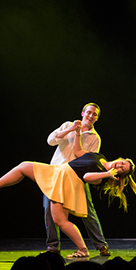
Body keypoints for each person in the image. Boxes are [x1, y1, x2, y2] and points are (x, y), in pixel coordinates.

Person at [0, 125, 136, 259]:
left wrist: (107, 174)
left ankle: (83, 249)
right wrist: (77, 133)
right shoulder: (100, 157)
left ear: (119, 174)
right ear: (120, 159)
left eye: (122, 169)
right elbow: (77, 152)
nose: (119, 166)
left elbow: (86, 177)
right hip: (59, 171)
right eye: (122, 163)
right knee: (24, 166)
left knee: (60, 220)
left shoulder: (102, 175)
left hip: (67, 181)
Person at [43, 102, 111, 256]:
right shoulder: (68, 125)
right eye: (89, 112)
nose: (91, 116)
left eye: (94, 114)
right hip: (56, 172)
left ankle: (101, 245)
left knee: (88, 210)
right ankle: (52, 247)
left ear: (97, 119)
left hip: (76, 175)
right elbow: (51, 140)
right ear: (82, 113)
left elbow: (90, 161)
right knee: (48, 208)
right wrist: (71, 129)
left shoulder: (95, 138)